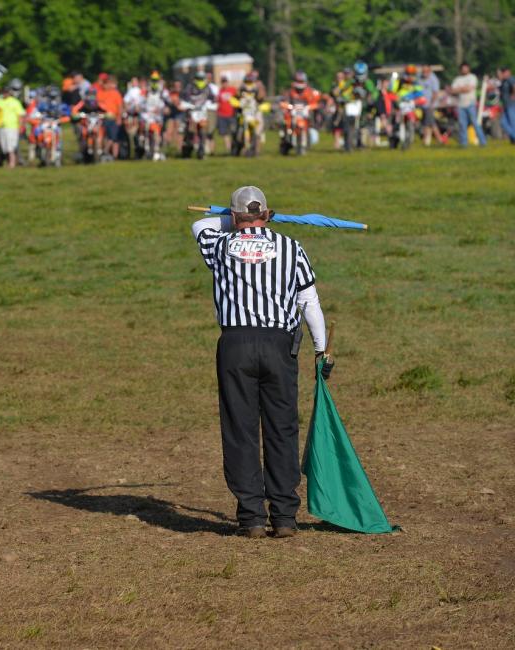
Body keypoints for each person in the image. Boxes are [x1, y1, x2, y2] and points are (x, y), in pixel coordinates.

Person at [191, 186, 328, 539]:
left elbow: (200, 224)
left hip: (235, 344)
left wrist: (231, 217)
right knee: (282, 427)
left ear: (236, 217)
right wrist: (321, 347)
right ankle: (284, 516)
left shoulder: (219, 245)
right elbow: (308, 301)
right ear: (267, 213)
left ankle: (251, 516)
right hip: (279, 346)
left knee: (241, 429)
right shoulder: (291, 247)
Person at [449, 62, 486, 146]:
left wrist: (459, 89)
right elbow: (452, 90)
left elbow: (469, 89)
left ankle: (482, 142)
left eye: (466, 68)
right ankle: (464, 144)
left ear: (468, 68)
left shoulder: (472, 77)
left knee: (475, 123)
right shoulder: (457, 79)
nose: (464, 70)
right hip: (460, 104)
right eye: (462, 68)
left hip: (470, 103)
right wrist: (463, 88)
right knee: (462, 125)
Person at [0, 78, 26, 168]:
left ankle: (12, 163)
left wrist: (21, 126)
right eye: (3, 92)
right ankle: (7, 162)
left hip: (12, 127)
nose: (5, 94)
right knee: (4, 147)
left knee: (11, 147)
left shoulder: (15, 102)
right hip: (0, 126)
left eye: (6, 92)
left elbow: (21, 115)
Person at [96, 75, 123, 160]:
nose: (105, 85)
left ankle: (107, 153)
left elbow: (120, 106)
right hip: (103, 118)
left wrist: (119, 118)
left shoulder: (115, 93)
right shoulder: (100, 93)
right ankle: (106, 153)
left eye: (107, 83)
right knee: (106, 137)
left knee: (113, 137)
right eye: (104, 84)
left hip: (113, 118)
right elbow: (97, 104)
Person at [420, 64, 444, 146]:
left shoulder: (433, 79)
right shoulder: (420, 78)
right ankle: (428, 141)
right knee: (429, 123)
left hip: (430, 105)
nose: (424, 72)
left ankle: (438, 139)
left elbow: (435, 93)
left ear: (430, 71)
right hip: (422, 105)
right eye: (423, 71)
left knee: (429, 123)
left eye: (426, 71)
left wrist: (431, 104)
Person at [215, 74, 238, 154]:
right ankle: (228, 149)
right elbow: (217, 102)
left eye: (225, 82)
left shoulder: (233, 90)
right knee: (224, 133)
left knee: (233, 131)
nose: (224, 84)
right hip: (222, 115)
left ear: (228, 82)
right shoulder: (220, 91)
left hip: (231, 114)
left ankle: (234, 147)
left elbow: (238, 98)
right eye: (223, 82)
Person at [498, 67, 515, 145]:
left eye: (505, 72)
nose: (504, 74)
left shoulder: (511, 79)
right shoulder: (504, 81)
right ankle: (514, 136)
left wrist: (513, 94)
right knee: (502, 122)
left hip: (513, 105)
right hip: (506, 105)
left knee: (513, 122)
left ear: (509, 72)